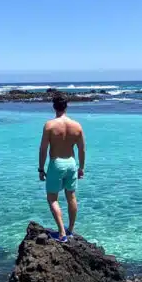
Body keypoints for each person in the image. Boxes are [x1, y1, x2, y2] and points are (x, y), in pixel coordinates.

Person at [38, 92, 85, 241]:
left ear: (54, 107)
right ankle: (70, 230)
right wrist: (81, 168)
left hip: (56, 163)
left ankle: (62, 233)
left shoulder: (50, 125)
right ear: (66, 106)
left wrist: (41, 169)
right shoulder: (77, 126)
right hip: (71, 163)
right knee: (71, 196)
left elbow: (43, 149)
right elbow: (82, 150)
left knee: (52, 198)